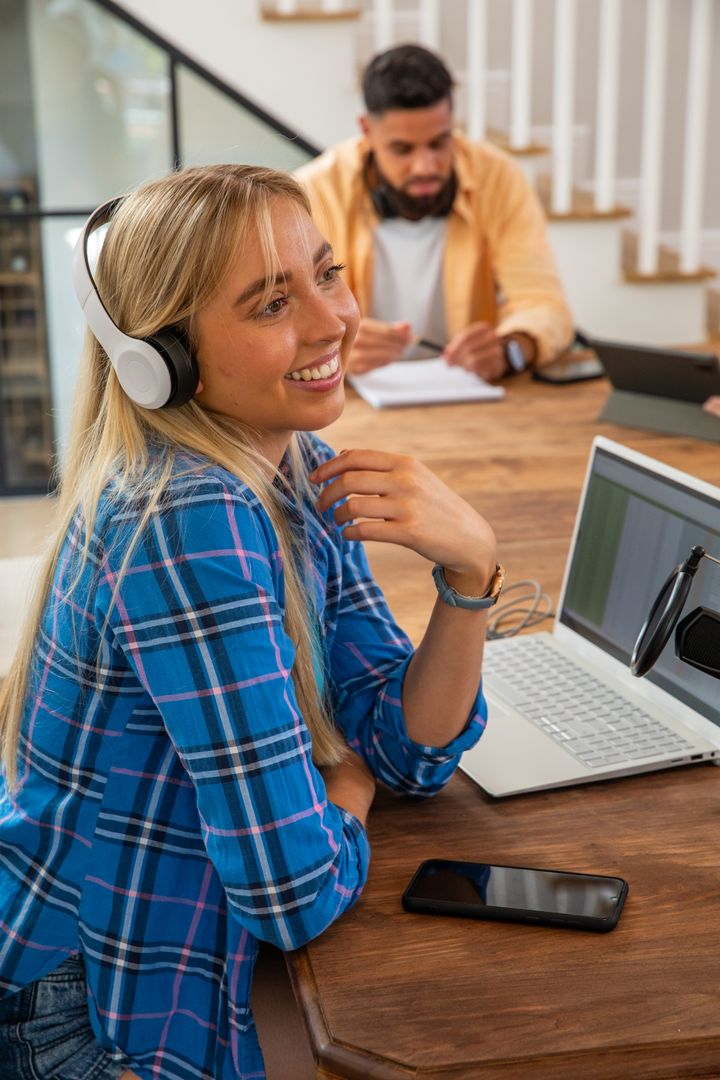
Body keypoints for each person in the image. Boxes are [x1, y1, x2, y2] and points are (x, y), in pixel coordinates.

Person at [0, 164, 500, 1079]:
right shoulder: (190, 520)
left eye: (326, 274)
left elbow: (405, 750)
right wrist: (342, 785)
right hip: (80, 1008)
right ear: (164, 357)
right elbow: (292, 889)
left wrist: (469, 571)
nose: (332, 322)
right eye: (272, 304)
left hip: (163, 942)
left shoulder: (296, 461)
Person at [296, 44, 574, 380]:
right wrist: (331, 349)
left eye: (440, 143)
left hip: (471, 400)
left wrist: (510, 349)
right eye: (402, 149)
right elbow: (285, 319)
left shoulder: (499, 178)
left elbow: (543, 303)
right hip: (349, 405)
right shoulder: (313, 191)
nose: (425, 166)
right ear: (367, 131)